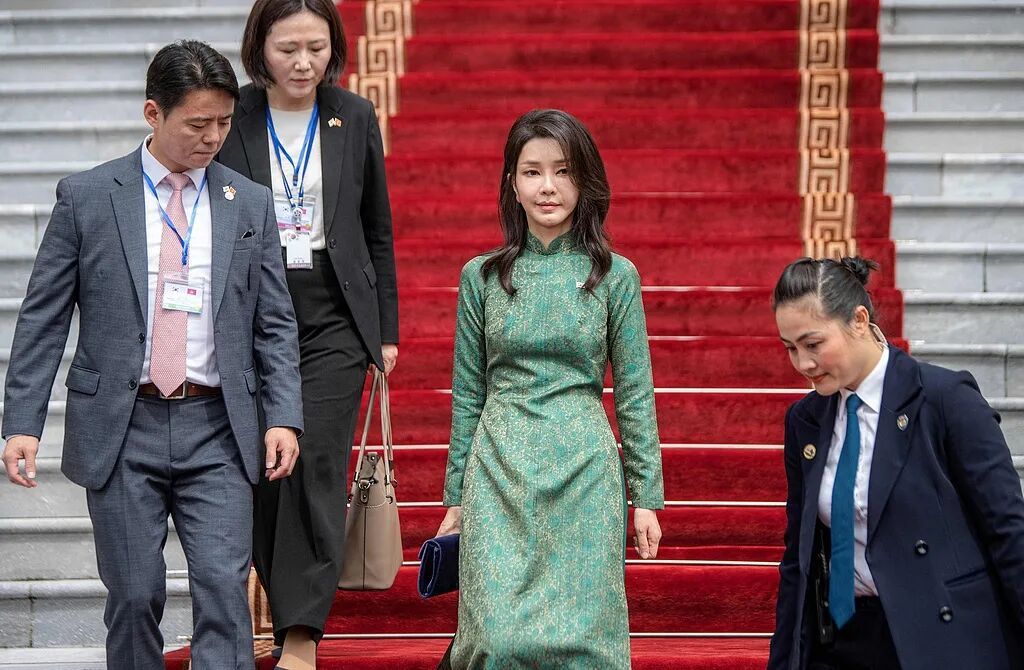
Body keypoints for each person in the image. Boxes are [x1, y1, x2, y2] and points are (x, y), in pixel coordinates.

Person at [0, 41, 303, 668]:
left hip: (218, 426)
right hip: (122, 426)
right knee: (134, 595)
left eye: (224, 122)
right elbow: (43, 318)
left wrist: (283, 415)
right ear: (152, 113)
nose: (213, 138)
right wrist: (22, 422)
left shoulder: (248, 202)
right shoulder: (87, 197)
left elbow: (274, 320)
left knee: (223, 589)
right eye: (197, 123)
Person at [433, 109, 664, 669]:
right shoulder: (482, 277)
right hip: (498, 468)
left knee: (584, 641)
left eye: (563, 171)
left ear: (584, 181)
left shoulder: (615, 276)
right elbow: (467, 393)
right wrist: (456, 497)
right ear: (512, 184)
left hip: (585, 471)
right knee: (494, 638)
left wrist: (646, 499)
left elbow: (635, 393)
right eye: (532, 172)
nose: (548, 187)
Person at [216, 0, 398, 666]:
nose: (303, 63)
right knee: (266, 465)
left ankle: (300, 632)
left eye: (316, 48)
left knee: (315, 461)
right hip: (252, 306)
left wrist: (385, 329)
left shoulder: (355, 115)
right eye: (287, 48)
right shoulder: (232, 115)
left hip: (333, 309)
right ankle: (274, 597)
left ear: (335, 47)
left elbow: (376, 228)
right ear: (259, 47)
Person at [767, 257, 1024, 670]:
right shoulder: (805, 421)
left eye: (813, 344)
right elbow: (798, 559)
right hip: (844, 639)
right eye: (790, 348)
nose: (803, 364)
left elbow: (1008, 531)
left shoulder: (944, 398)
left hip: (940, 639)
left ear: (858, 320)